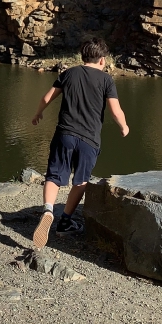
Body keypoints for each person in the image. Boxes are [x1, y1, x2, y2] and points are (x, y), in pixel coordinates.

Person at [31, 38, 129, 249]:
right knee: (81, 180)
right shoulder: (106, 80)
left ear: (82, 57)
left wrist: (38, 113)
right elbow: (115, 110)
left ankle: (48, 210)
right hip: (89, 140)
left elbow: (47, 98)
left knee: (54, 175)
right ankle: (65, 221)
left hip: (64, 134)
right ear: (102, 60)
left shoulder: (69, 73)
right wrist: (124, 127)